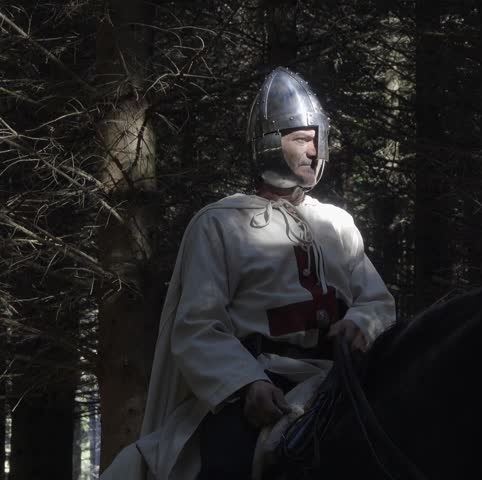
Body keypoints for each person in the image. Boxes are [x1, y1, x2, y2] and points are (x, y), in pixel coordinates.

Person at [100, 67, 395, 480]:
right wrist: (246, 385)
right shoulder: (220, 224)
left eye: (317, 139)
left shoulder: (338, 224)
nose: (314, 151)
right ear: (270, 144)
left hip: (338, 382)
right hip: (256, 391)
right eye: (301, 139)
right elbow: (198, 327)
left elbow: (377, 302)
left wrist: (360, 324)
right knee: (226, 470)